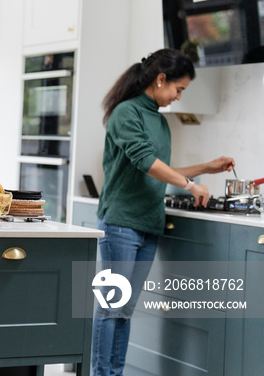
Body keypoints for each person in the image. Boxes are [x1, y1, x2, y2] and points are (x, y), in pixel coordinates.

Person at [90, 48, 234, 376]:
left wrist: (206, 169)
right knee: (111, 308)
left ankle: (114, 372)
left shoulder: (159, 120)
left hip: (147, 224)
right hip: (120, 224)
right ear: (160, 79)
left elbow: (159, 168)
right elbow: (145, 162)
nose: (179, 97)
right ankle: (102, 374)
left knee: (124, 310)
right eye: (178, 89)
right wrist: (190, 183)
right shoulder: (126, 113)